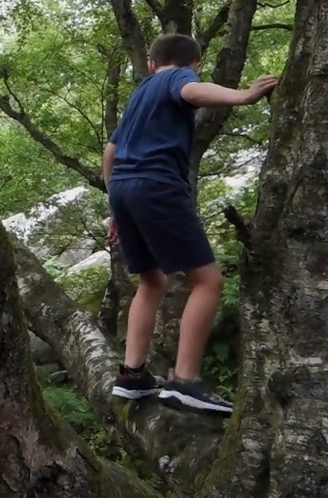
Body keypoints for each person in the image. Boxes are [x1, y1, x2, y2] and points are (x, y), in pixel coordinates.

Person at [104, 33, 277, 415]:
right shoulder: (176, 78)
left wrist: (114, 205)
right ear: (194, 64)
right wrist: (245, 94)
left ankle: (132, 375)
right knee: (208, 281)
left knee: (151, 281)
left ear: (149, 63)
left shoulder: (139, 95)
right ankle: (184, 381)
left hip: (123, 188)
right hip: (157, 186)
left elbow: (110, 151)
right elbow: (193, 93)